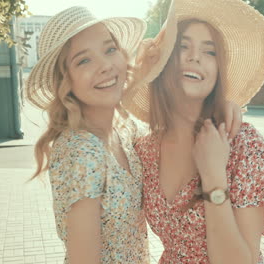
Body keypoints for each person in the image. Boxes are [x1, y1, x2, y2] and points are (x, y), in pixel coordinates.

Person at [25, 5, 243, 264]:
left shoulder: (125, 135)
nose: (105, 65)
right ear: (66, 80)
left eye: (110, 50)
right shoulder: (80, 150)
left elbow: (165, 118)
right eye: (84, 60)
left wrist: (226, 104)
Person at [124, 0, 264, 263]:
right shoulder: (145, 148)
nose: (194, 56)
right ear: (163, 62)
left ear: (219, 71)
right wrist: (141, 72)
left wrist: (213, 177)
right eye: (182, 46)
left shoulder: (243, 144)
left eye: (210, 52)